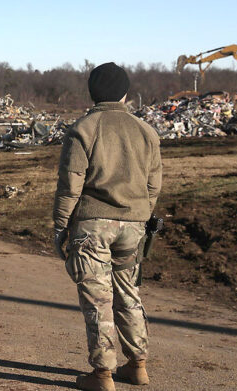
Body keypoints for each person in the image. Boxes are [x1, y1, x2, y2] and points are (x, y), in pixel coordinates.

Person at [53, 63, 162, 391]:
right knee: (129, 292)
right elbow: (153, 185)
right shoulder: (146, 131)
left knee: (98, 299)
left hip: (92, 227)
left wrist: (61, 227)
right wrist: (140, 216)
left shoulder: (83, 129)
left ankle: (102, 375)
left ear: (93, 93)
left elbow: (70, 184)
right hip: (134, 226)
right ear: (126, 93)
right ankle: (138, 365)